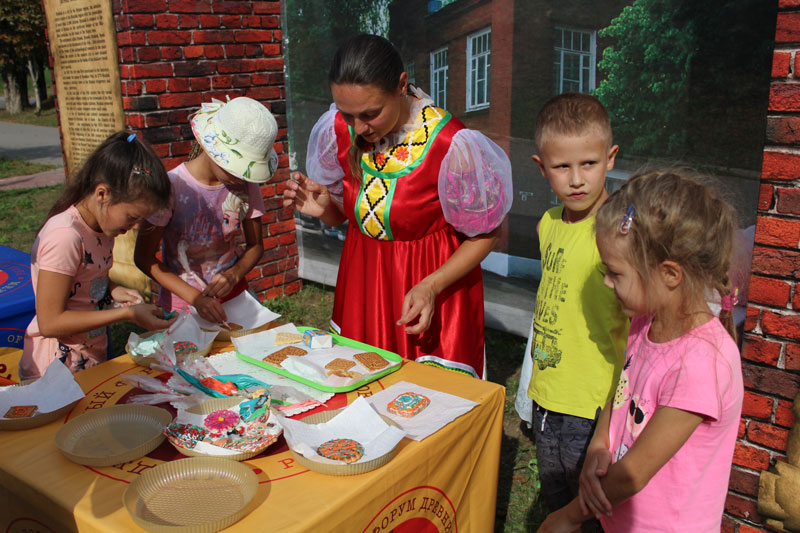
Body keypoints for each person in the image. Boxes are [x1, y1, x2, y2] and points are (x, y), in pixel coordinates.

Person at [282, 34, 512, 379]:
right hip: (364, 287)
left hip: (428, 290)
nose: (358, 127)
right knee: (361, 386)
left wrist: (431, 286)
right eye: (347, 114)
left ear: (401, 85)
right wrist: (327, 209)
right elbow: (351, 218)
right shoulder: (338, 130)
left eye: (370, 114)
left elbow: (487, 235)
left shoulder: (450, 144)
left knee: (424, 397)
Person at [538, 170, 744, 532]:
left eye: (615, 273)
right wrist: (599, 443)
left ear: (669, 274)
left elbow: (634, 473)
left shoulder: (702, 364)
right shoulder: (645, 321)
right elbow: (622, 388)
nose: (606, 282)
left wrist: (567, 517)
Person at [519, 93, 629, 524]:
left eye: (589, 163)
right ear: (541, 167)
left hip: (594, 400)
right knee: (555, 490)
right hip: (549, 391)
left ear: (610, 157)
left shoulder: (621, 232)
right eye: (562, 167)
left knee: (592, 505)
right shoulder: (547, 224)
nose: (577, 179)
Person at [21, 131, 175, 379]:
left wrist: (113, 290)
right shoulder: (65, 237)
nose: (135, 226)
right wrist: (126, 314)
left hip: (88, 361)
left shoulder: (102, 227)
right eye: (132, 217)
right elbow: (50, 322)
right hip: (54, 372)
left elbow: (86, 276)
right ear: (102, 194)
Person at [135, 96, 278, 325]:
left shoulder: (246, 184)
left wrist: (234, 274)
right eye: (235, 167)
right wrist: (195, 298)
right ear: (211, 147)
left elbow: (256, 245)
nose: (240, 176)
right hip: (184, 306)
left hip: (235, 300)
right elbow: (143, 257)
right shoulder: (172, 186)